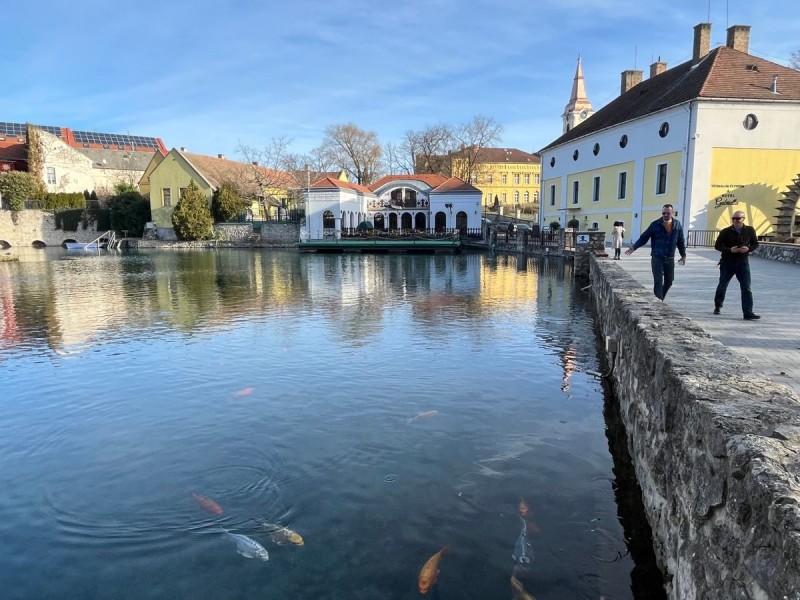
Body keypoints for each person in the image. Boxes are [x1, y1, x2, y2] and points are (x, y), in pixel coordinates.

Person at [625, 204, 686, 300]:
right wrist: (634, 247)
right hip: (657, 257)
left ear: (672, 213)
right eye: (663, 213)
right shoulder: (655, 224)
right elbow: (644, 237)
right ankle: (658, 301)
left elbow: (681, 241)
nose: (665, 215)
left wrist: (683, 255)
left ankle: (660, 298)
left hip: (670, 258)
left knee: (669, 281)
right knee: (658, 281)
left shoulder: (677, 225)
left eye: (668, 213)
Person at [713, 210, 760, 320]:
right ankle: (718, 306)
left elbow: (755, 243)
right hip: (727, 262)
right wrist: (730, 250)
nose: (735, 221)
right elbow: (717, 246)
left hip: (742, 262)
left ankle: (748, 313)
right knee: (722, 285)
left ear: (743, 219)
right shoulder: (725, 231)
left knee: (746, 288)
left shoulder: (749, 230)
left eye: (738, 218)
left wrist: (748, 249)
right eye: (733, 218)